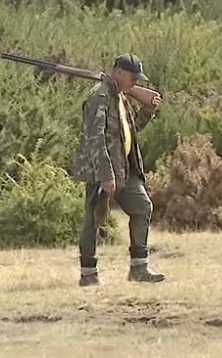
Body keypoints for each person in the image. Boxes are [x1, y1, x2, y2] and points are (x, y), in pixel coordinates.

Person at [68, 53, 165, 286]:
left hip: (124, 170)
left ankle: (139, 269)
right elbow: (95, 140)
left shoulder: (120, 98)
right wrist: (105, 175)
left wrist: (147, 108)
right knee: (93, 221)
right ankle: (88, 274)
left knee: (142, 206)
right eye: (133, 77)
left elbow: (129, 131)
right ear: (119, 73)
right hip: (103, 172)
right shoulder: (99, 98)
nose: (136, 82)